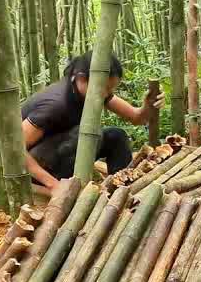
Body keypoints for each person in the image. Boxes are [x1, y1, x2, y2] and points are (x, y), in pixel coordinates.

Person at [21, 51, 164, 193]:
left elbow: (137, 118)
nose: (108, 94)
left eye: (111, 89)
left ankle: (121, 190)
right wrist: (53, 186)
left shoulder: (94, 91)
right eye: (106, 88)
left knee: (116, 136)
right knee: (84, 135)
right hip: (34, 171)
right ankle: (72, 188)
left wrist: (149, 105)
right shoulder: (56, 104)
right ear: (82, 79)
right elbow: (16, 150)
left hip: (60, 152)